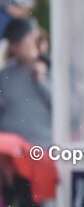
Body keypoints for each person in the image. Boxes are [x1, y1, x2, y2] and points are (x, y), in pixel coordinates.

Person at [0, 17, 52, 150]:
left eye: (17, 42)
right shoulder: (5, 74)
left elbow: (70, 111)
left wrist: (42, 82)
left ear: (34, 39)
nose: (13, 48)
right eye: (11, 43)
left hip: (42, 149)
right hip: (11, 153)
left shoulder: (51, 69)